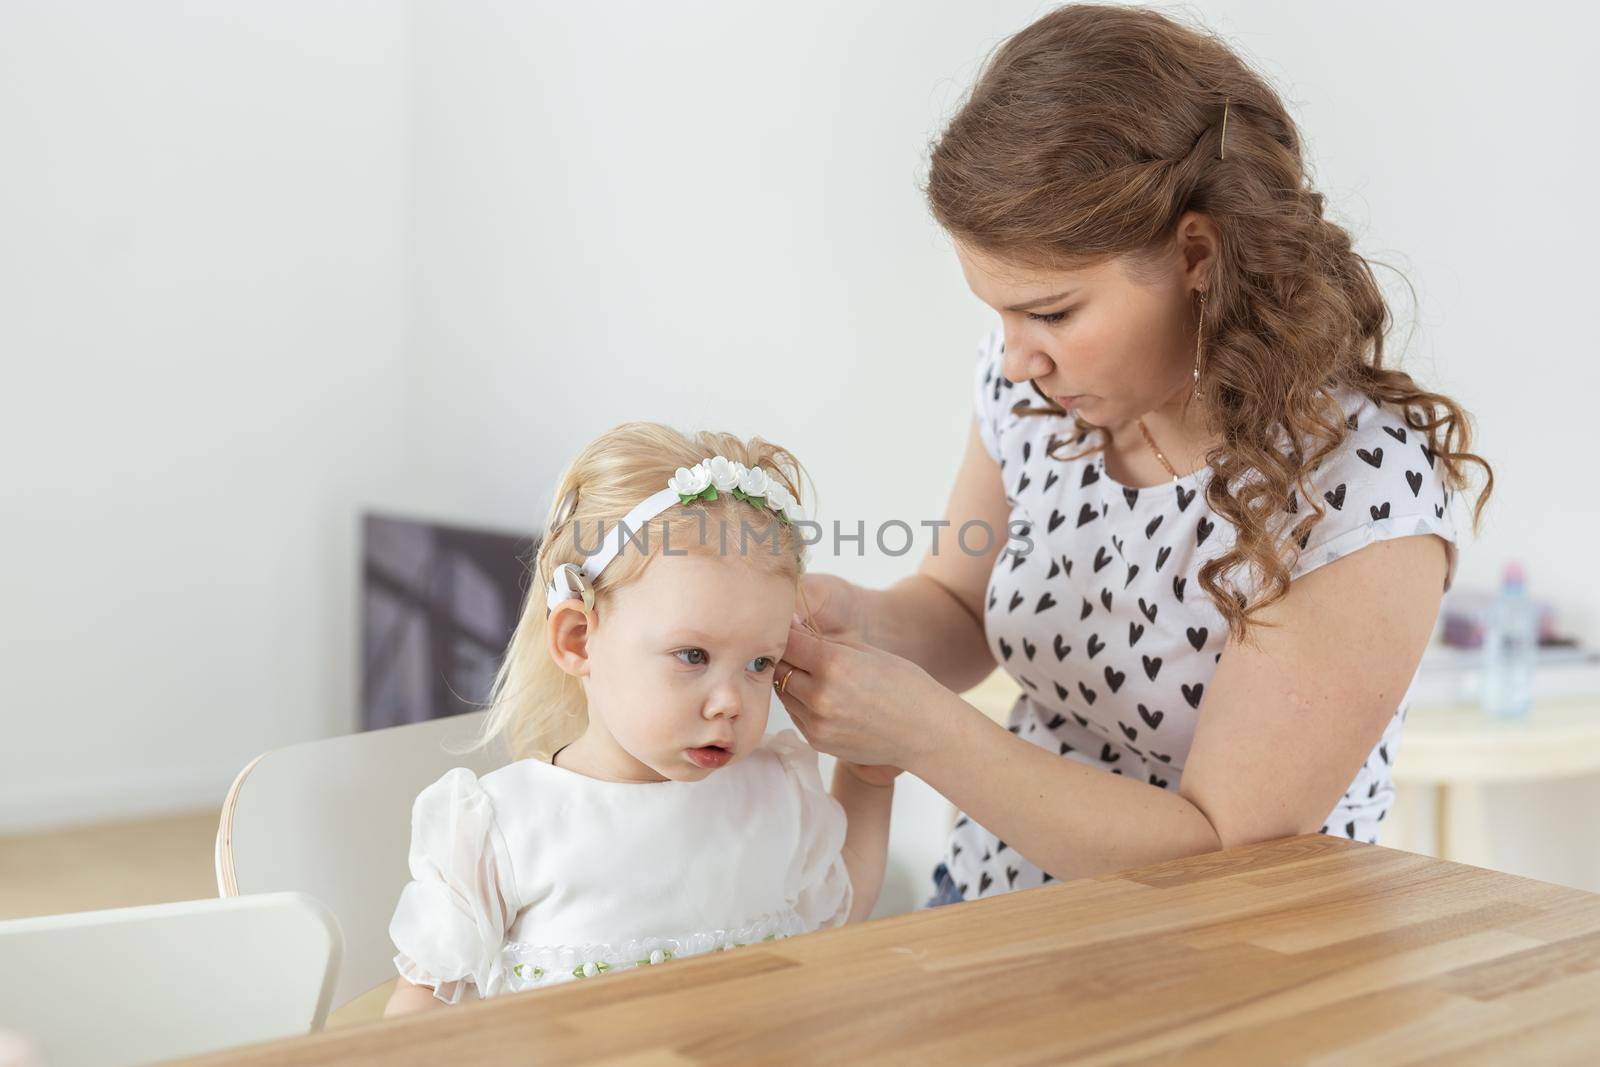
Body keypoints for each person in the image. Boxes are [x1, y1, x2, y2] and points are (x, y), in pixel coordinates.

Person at [770, 4, 1493, 906]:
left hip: (1226, 984)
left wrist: (929, 735)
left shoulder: (1356, 495)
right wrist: (851, 620)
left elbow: (1221, 849)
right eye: (998, 314)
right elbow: (959, 609)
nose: (1017, 355)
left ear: (1197, 252)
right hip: (993, 912)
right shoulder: (1036, 393)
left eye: (1050, 311)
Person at [384, 423, 893, 1014]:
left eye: (760, 662)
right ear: (579, 639)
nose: (731, 700)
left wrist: (869, 774)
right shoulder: (503, 828)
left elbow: (839, 911)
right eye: (692, 656)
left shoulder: (775, 791)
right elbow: (416, 1022)